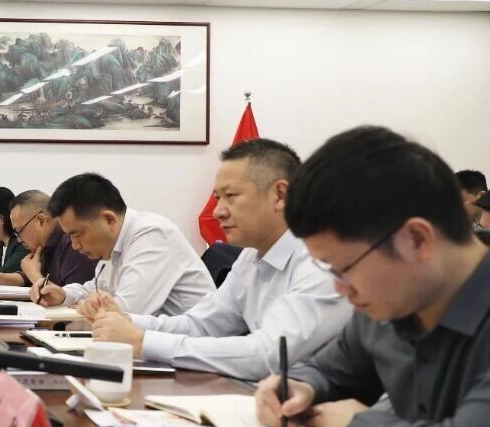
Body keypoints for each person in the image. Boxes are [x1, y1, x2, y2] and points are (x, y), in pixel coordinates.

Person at [255, 126, 490, 427]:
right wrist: (299, 386)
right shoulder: (389, 306)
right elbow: (330, 371)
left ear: (416, 239)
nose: (340, 289)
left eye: (344, 269)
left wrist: (357, 424)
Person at [88, 139, 350, 380]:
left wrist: (143, 342)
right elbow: (201, 325)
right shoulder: (251, 255)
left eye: (230, 196)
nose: (217, 212)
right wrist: (127, 321)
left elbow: (268, 355)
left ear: (280, 195)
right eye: (217, 198)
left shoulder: (321, 260)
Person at [35, 173, 214, 316]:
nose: (74, 246)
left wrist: (85, 306)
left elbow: (125, 312)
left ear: (109, 220)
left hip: (194, 345)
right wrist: (63, 295)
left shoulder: (152, 234)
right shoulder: (113, 246)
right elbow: (95, 288)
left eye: (77, 234)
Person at [7, 189, 96, 289]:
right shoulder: (47, 244)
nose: (19, 240)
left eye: (19, 231)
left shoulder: (73, 243)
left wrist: (34, 275)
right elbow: (26, 278)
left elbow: (72, 297)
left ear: (41, 221)